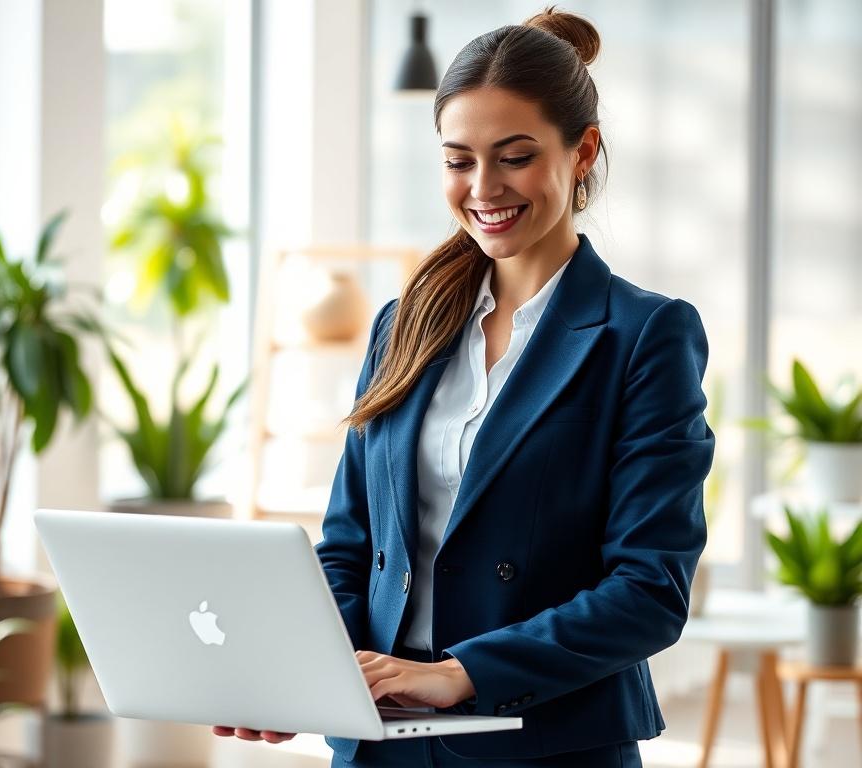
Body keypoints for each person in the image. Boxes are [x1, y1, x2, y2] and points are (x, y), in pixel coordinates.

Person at [213, 5, 715, 766]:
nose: (483, 187)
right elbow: (351, 549)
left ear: (583, 153)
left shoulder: (645, 335)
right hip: (383, 740)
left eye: (515, 157)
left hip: (544, 741)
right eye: (458, 160)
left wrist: (458, 675)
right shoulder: (402, 324)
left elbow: (649, 591)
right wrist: (304, 678)